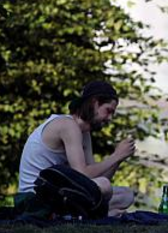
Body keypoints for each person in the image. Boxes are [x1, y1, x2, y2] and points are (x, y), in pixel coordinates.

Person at [16, 80, 136, 217]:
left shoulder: (84, 133)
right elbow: (84, 174)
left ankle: (90, 214)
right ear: (94, 102)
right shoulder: (68, 125)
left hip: (60, 194)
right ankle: (94, 214)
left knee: (127, 195)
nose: (110, 118)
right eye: (108, 111)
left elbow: (93, 180)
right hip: (34, 199)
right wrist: (115, 155)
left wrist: (118, 159)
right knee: (104, 185)